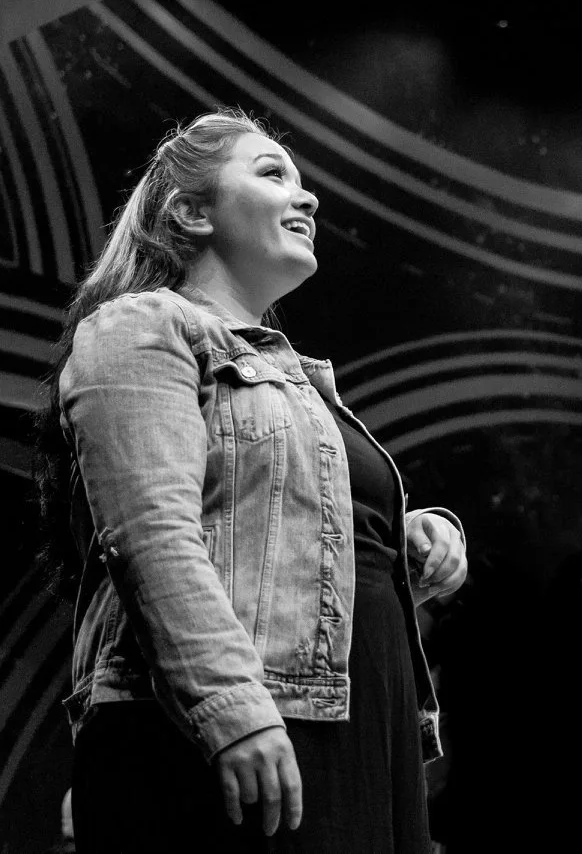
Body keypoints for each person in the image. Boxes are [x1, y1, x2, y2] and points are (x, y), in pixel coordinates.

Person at [32, 108, 468, 853]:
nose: (309, 199)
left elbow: (285, 533)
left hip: (358, 733)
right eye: (273, 175)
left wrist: (411, 535)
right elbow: (150, 533)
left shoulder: (298, 378)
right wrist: (233, 710)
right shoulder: (142, 328)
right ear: (191, 212)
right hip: (235, 729)